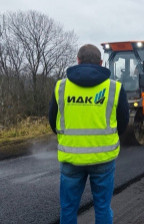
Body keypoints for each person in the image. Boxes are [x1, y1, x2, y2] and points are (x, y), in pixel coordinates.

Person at [48, 44, 129, 224]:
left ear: (77, 61)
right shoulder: (114, 88)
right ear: (101, 63)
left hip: (70, 158)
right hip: (103, 159)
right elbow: (123, 124)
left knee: (68, 208)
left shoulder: (61, 87)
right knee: (102, 207)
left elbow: (53, 121)